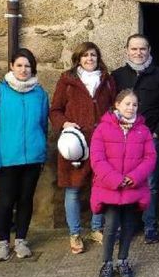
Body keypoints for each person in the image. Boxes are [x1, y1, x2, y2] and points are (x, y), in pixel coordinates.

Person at [0, 48, 49, 262]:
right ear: (11, 66)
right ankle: (3, 243)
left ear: (33, 68)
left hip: (33, 159)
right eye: (19, 65)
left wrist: (42, 152)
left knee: (26, 199)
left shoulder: (40, 94)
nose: (23, 69)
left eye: (27, 66)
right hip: (6, 159)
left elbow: (42, 126)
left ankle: (21, 240)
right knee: (6, 201)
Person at [50, 41, 117, 255]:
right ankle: (75, 232)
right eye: (85, 55)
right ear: (78, 58)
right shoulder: (67, 80)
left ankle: (97, 229)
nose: (90, 59)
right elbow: (55, 110)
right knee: (73, 189)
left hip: (101, 142)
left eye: (93, 55)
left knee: (100, 186)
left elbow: (115, 108)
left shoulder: (107, 80)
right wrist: (65, 123)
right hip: (75, 142)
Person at [89, 89, 156, 277]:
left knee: (128, 226)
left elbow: (150, 158)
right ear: (117, 105)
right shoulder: (103, 129)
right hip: (110, 188)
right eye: (127, 103)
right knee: (110, 226)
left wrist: (133, 177)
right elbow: (97, 158)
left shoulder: (143, 130)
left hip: (132, 188)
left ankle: (123, 260)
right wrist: (115, 179)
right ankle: (107, 263)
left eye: (134, 104)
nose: (131, 107)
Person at [112, 34, 159, 244]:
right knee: (124, 182)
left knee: (151, 184)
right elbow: (112, 107)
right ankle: (126, 226)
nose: (138, 53)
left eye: (142, 49)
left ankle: (150, 226)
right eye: (134, 49)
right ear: (127, 50)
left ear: (149, 50)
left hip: (149, 139)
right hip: (123, 140)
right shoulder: (117, 76)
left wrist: (157, 132)